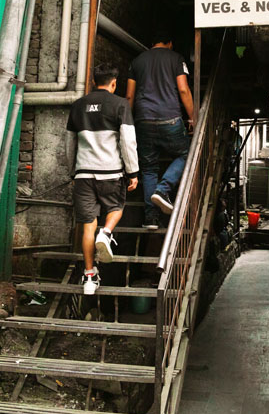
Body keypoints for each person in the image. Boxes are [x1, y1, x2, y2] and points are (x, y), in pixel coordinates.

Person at [66, 64, 139, 295]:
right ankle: (106, 233)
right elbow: (128, 141)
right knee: (116, 208)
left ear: (93, 80)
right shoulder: (120, 105)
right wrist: (133, 171)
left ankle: (89, 276)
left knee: (88, 225)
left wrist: (73, 172)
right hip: (111, 173)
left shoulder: (77, 106)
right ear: (114, 83)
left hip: (83, 174)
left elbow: (69, 144)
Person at [126, 29, 194, 230]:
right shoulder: (176, 58)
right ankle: (163, 189)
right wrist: (192, 117)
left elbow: (129, 96)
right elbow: (183, 89)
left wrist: (129, 123)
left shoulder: (137, 61)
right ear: (170, 43)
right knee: (186, 152)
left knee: (148, 168)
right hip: (170, 119)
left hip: (143, 120)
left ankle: (150, 218)